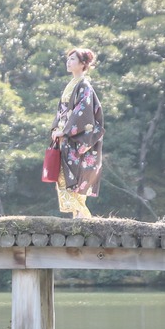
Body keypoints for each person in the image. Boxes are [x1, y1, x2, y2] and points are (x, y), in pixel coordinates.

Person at [51, 47, 104, 218]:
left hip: (77, 138)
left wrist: (65, 131)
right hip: (66, 138)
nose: (68, 62)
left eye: (72, 59)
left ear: (83, 64)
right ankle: (79, 214)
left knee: (75, 176)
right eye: (68, 59)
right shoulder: (72, 84)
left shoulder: (84, 85)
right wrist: (56, 129)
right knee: (63, 177)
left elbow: (83, 111)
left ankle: (81, 214)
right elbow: (62, 111)